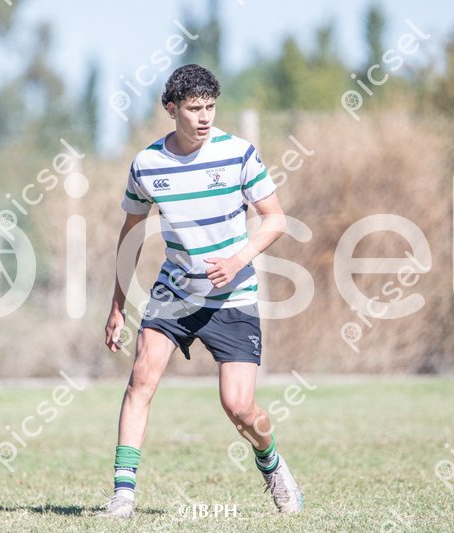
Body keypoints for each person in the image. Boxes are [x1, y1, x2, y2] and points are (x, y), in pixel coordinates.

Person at [101, 63, 303, 518]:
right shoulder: (147, 165)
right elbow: (130, 235)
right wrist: (117, 305)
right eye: (194, 108)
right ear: (172, 109)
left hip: (233, 297)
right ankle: (123, 495)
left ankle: (272, 464)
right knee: (141, 378)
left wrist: (237, 260)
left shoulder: (238, 154)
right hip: (174, 293)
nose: (205, 116)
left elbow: (276, 219)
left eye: (210, 106)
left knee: (239, 406)